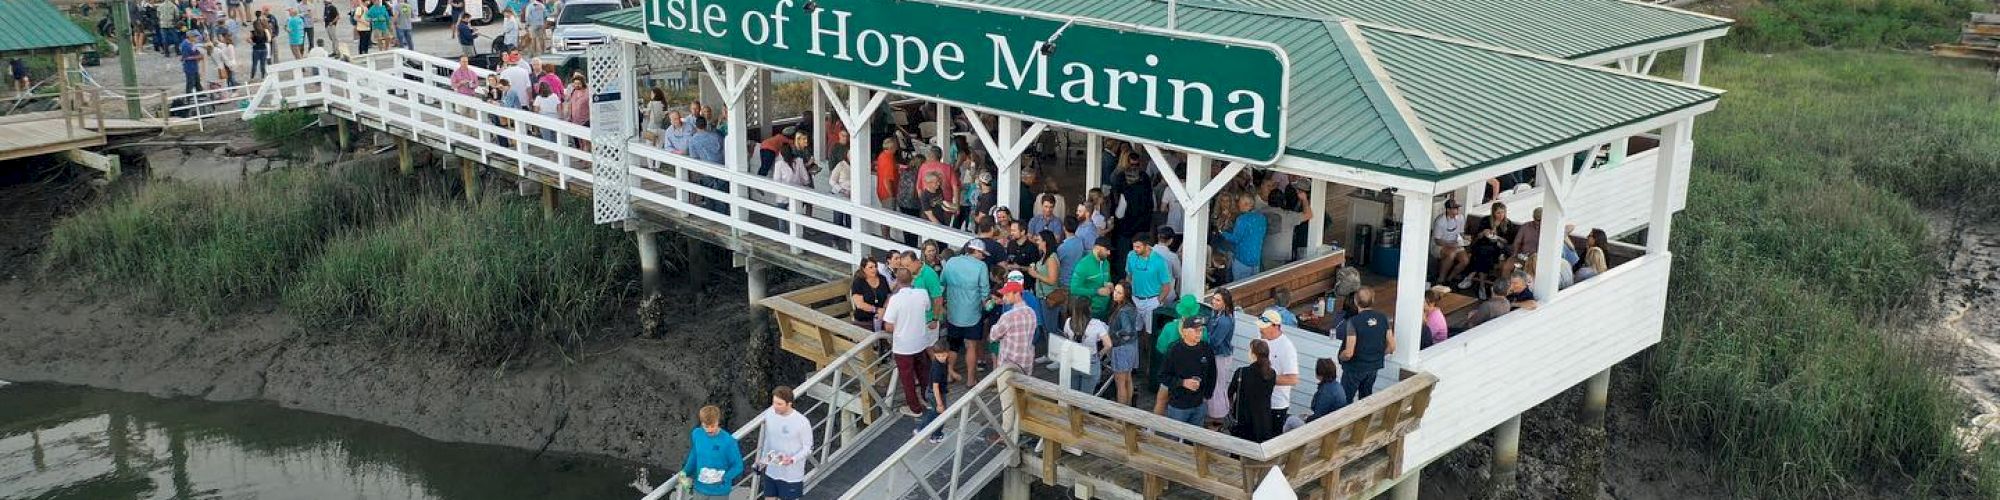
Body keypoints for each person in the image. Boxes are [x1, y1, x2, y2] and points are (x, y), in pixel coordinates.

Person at [883, 268, 932, 418]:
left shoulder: (895, 300)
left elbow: (889, 326)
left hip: (903, 345)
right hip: (920, 340)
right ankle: (928, 399)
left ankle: (915, 408)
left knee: (907, 378)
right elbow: (928, 308)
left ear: (897, 281)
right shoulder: (922, 294)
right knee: (924, 372)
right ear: (912, 279)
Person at [942, 240, 991, 383]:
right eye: (982, 253)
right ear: (974, 251)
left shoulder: (951, 262)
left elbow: (942, 282)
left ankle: (949, 374)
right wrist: (986, 304)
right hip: (973, 313)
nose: (983, 257)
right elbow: (985, 290)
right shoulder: (981, 266)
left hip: (953, 312)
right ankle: (970, 379)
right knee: (971, 346)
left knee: (953, 345)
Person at [1155, 315, 1215, 426]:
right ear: (1185, 331)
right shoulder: (1174, 350)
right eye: (1196, 330)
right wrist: (1183, 382)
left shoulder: (1206, 349)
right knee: (1175, 438)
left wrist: (1207, 396)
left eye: (1201, 330)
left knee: (1194, 439)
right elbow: (1162, 376)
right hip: (1179, 406)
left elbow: (1212, 374)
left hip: (1199, 404)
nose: (1199, 333)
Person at [754, 387, 812, 500]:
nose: (775, 406)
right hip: (772, 471)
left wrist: (792, 459)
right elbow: (768, 440)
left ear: (789, 404)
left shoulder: (802, 422)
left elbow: (808, 448)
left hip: (792, 476)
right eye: (774, 402)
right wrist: (762, 461)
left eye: (779, 404)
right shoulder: (770, 414)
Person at [1336, 289, 1394, 401]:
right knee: (1366, 399)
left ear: (1355, 301)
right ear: (1372, 300)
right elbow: (1392, 346)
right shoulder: (1383, 318)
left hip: (1354, 368)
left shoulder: (1353, 322)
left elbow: (1349, 353)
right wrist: (1378, 355)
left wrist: (1340, 356)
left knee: (1345, 400)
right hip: (1373, 366)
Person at [679, 405, 744, 499]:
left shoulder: (728, 441)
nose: (709, 430)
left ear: (718, 422)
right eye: (706, 426)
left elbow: (738, 465)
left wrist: (725, 478)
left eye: (713, 426)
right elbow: (694, 455)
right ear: (701, 423)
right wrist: (685, 472)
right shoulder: (696, 434)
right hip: (699, 489)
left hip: (719, 492)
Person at [1254, 308, 1301, 426]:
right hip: (1259, 399)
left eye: (1263, 327)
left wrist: (1267, 378)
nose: (1260, 329)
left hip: (1276, 404)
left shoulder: (1287, 348)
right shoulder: (1261, 340)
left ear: (1275, 326)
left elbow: (1293, 379)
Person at [1229, 339, 1279, 442]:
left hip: (1243, 421)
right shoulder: (1272, 374)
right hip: (1263, 422)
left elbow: (1229, 393)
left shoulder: (1241, 372)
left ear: (1253, 354)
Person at [1202, 289, 1238, 428]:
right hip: (1217, 354)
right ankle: (1215, 415)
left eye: (1218, 300)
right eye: (1214, 299)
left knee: (1217, 386)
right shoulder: (1217, 314)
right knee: (1216, 385)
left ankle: (1218, 418)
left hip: (1220, 356)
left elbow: (1215, 341)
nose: (1214, 302)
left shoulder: (1224, 321)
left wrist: (1203, 332)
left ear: (1225, 303)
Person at [1126, 232, 1174, 332]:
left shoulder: (1159, 261)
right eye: (1134, 246)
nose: (1135, 249)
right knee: (1133, 330)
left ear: (1147, 246)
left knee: (1150, 332)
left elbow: (1166, 286)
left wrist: (1158, 301)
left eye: (1138, 247)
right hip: (1134, 299)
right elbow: (1129, 276)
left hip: (1152, 301)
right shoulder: (1131, 255)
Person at [1105, 281, 1142, 405]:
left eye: (1119, 292)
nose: (1115, 294)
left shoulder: (1122, 311)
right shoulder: (1131, 307)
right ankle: (1129, 409)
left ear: (1125, 295)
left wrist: (1113, 334)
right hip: (1131, 346)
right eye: (1115, 290)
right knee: (1128, 379)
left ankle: (1121, 414)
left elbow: (1127, 330)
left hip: (1122, 347)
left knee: (1120, 383)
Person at [1064, 295, 1110, 395]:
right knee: (1086, 398)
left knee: (1073, 394)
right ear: (1089, 309)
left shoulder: (1068, 322)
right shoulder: (1097, 324)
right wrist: (1100, 354)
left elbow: (1066, 338)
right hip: (1090, 361)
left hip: (1074, 359)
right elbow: (1108, 345)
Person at [989, 281, 1037, 374]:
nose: (1004, 297)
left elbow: (993, 336)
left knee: (1006, 388)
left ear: (1017, 293)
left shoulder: (1008, 316)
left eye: (1007, 294)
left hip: (1008, 366)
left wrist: (995, 327)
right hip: (1026, 363)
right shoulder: (1031, 312)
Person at [915, 344, 951, 443]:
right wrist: (940, 403)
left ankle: (921, 429)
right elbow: (935, 387)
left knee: (933, 412)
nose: (941, 358)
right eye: (939, 356)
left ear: (947, 353)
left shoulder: (939, 363)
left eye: (943, 355)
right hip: (936, 393)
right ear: (935, 355)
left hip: (931, 392)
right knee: (941, 414)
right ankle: (936, 435)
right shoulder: (938, 368)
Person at [1069, 238, 1111, 319]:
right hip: (1090, 311)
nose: (1109, 253)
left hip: (1105, 308)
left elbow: (1107, 280)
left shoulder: (1106, 262)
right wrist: (1096, 291)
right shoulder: (1083, 265)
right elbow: (1074, 289)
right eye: (1107, 250)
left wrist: (1110, 285)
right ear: (1097, 248)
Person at [1434, 199, 1470, 284]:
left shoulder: (1460, 218)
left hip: (1455, 243)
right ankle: (1441, 278)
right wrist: (1449, 244)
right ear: (1448, 210)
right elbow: (1437, 241)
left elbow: (1461, 233)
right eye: (1454, 209)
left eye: (1457, 208)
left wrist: (1466, 238)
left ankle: (1450, 278)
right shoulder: (1440, 221)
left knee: (1465, 260)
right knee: (1451, 254)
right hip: (1440, 245)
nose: (1456, 211)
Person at [849, 257, 891, 330]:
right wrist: (876, 310)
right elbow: (859, 304)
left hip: (882, 317)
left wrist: (883, 309)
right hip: (865, 319)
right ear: (863, 269)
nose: (874, 269)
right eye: (871, 267)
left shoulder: (882, 278)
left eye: (875, 266)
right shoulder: (858, 282)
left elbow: (888, 296)